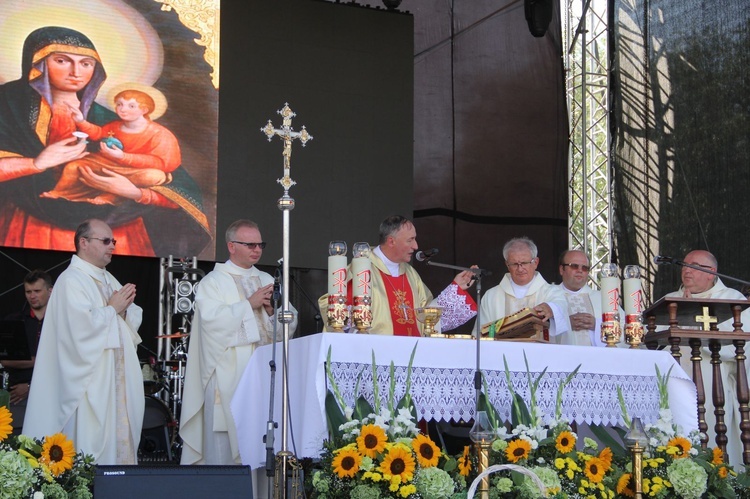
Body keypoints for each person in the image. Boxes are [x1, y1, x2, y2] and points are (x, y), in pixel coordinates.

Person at [0, 26, 210, 256]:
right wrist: (36, 163)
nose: (76, 72)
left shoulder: (109, 121)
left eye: (86, 64)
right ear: (37, 64)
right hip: (31, 225)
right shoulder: (9, 106)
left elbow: (174, 179)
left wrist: (134, 193)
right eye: (62, 60)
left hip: (111, 230)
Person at [23, 219, 144, 464]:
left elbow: (132, 314)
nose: (112, 246)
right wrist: (113, 309)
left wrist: (122, 310)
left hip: (114, 379)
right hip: (90, 381)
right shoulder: (72, 280)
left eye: (114, 241)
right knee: (90, 446)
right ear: (84, 242)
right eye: (106, 241)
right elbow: (77, 330)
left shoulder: (107, 278)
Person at [180, 219, 299, 465]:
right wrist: (248, 305)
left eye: (260, 244)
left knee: (264, 443)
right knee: (227, 451)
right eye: (250, 244)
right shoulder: (213, 282)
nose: (257, 249)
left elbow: (289, 320)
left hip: (265, 375)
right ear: (232, 246)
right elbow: (211, 326)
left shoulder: (266, 278)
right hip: (227, 378)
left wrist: (270, 312)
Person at [317, 215, 477, 336]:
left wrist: (455, 288)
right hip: (374, 357)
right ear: (391, 241)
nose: (416, 246)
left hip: (411, 357)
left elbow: (427, 316)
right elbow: (335, 308)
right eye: (410, 240)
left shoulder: (411, 274)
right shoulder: (362, 268)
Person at [661, 249, 748, 467]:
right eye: (684, 266)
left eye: (693, 266)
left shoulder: (732, 300)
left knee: (711, 444)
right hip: (674, 385)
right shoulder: (668, 301)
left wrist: (690, 321)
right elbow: (649, 340)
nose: (686, 270)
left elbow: (737, 346)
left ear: (711, 273)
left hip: (712, 386)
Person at [41, 86, 181, 205]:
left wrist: (124, 157)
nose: (122, 109)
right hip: (106, 162)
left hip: (135, 170)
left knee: (152, 176)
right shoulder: (115, 125)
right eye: (119, 104)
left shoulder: (160, 134)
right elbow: (99, 134)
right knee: (74, 166)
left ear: (144, 110)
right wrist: (81, 121)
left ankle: (112, 195)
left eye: (131, 106)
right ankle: (59, 193)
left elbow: (164, 163)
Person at [480, 237, 569, 337]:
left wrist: (551, 309)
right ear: (507, 265)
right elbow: (481, 333)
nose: (520, 269)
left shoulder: (552, 292)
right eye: (514, 264)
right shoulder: (491, 296)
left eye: (524, 263)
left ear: (535, 262)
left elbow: (561, 305)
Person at [1, 270, 53, 434]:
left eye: (37, 291)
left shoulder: (61, 321)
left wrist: (31, 385)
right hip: (18, 396)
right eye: (28, 291)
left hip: (52, 395)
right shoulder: (13, 320)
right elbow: (5, 360)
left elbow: (67, 362)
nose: (32, 296)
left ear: (50, 291)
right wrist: (42, 360)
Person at [552, 249, 622, 346]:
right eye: (574, 266)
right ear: (561, 269)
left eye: (584, 268)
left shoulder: (602, 299)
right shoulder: (549, 295)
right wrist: (565, 323)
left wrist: (597, 325)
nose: (580, 270)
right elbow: (537, 329)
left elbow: (624, 327)